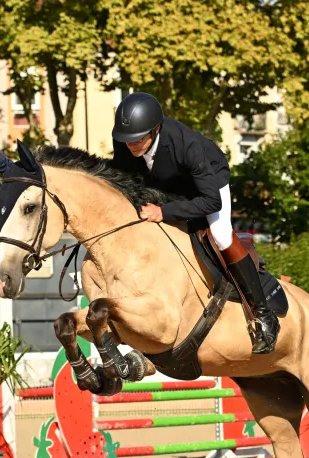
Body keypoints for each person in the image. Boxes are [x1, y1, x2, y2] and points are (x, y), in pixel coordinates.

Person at [110, 91, 279, 354]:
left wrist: (163, 212)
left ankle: (263, 313)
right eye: (127, 139)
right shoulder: (126, 139)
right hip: (166, 185)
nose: (131, 145)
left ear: (155, 130)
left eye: (138, 139)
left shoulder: (185, 144)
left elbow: (212, 201)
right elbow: (122, 180)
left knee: (220, 234)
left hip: (209, 185)